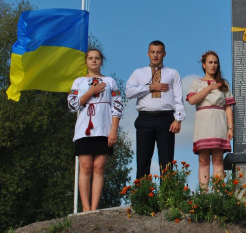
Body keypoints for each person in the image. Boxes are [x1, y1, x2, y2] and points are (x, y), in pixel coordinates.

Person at [68, 49, 124, 211]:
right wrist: (91, 92)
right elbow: (72, 105)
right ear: (86, 61)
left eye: (97, 58)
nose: (94, 61)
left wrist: (113, 130)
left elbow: (117, 106)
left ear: (101, 61)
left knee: (99, 166)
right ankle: (85, 207)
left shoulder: (110, 81)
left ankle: (94, 207)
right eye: (91, 58)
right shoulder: (78, 82)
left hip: (104, 129)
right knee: (85, 166)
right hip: (84, 130)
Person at [126, 40, 185, 179]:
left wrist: (178, 119)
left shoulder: (172, 73)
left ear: (164, 54)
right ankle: (142, 191)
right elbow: (128, 92)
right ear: (148, 54)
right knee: (143, 159)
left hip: (166, 119)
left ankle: (167, 192)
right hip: (145, 118)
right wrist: (150, 87)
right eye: (153, 52)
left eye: (158, 52)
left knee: (167, 161)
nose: (155, 55)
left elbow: (179, 98)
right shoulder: (139, 73)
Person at [186, 51, 235, 187]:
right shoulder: (197, 83)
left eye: (215, 62)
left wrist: (230, 127)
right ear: (204, 65)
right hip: (203, 122)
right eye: (210, 62)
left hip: (219, 121)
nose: (213, 65)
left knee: (218, 160)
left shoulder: (223, 84)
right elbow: (192, 100)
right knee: (203, 161)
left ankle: (218, 192)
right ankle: (204, 193)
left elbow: (228, 107)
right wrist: (210, 88)